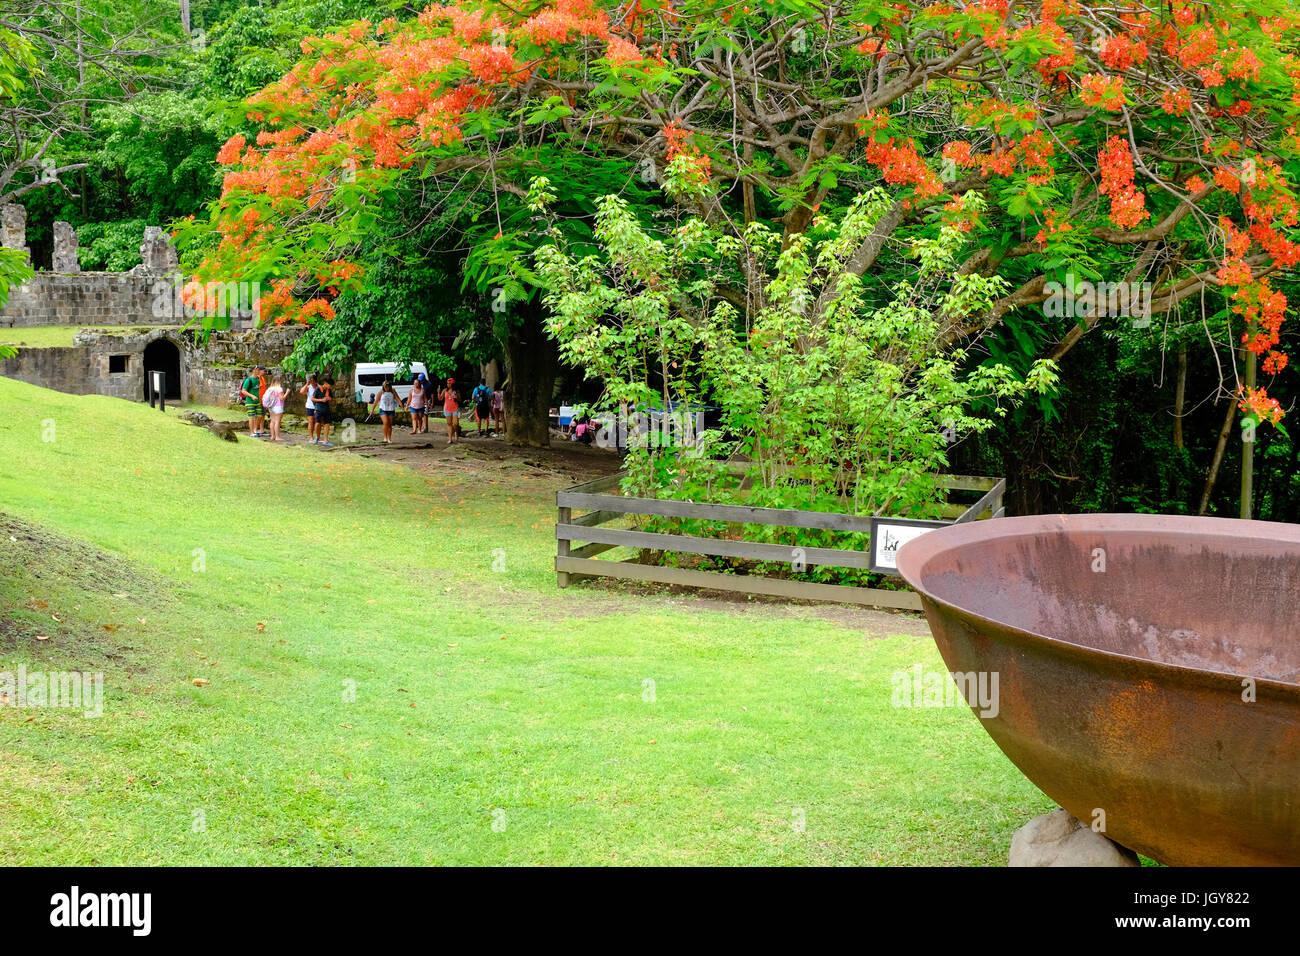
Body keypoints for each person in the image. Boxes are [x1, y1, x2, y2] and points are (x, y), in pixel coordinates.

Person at [371, 379, 399, 444]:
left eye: (387, 387)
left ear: (390, 386)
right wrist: (372, 410)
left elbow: (397, 398)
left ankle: (389, 438)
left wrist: (402, 407)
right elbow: (376, 401)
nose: (386, 388)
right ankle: (385, 437)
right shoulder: (381, 392)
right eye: (385, 387)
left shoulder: (393, 391)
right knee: (385, 422)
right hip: (383, 409)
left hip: (391, 409)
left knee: (389, 425)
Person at [241, 366, 265, 437]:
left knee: (260, 415)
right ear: (254, 371)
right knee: (251, 417)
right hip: (250, 402)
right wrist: (252, 396)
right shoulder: (248, 380)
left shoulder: (258, 379)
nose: (259, 371)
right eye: (257, 370)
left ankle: (255, 430)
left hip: (258, 402)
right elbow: (243, 391)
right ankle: (251, 433)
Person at [313, 375, 334, 447]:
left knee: (327, 424)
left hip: (326, 409)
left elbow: (331, 399)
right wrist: (321, 400)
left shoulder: (329, 391)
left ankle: (325, 440)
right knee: (317, 423)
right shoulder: (318, 389)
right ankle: (317, 437)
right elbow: (312, 399)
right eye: (330, 386)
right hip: (318, 409)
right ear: (326, 383)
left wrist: (329, 399)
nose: (331, 387)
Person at [438, 377, 460, 445]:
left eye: (450, 383)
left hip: (455, 408)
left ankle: (456, 432)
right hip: (447, 408)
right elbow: (440, 398)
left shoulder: (456, 391)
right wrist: (438, 392)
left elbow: (460, 399)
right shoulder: (445, 390)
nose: (448, 384)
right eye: (447, 383)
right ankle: (450, 439)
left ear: (453, 384)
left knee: (455, 424)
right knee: (449, 424)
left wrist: (456, 397)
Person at [300, 373, 319, 443]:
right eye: (310, 380)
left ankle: (317, 437)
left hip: (318, 407)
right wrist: (307, 383)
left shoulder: (319, 387)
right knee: (311, 421)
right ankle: (311, 437)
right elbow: (301, 392)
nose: (311, 382)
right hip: (310, 406)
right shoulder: (308, 387)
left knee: (317, 422)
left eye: (312, 380)